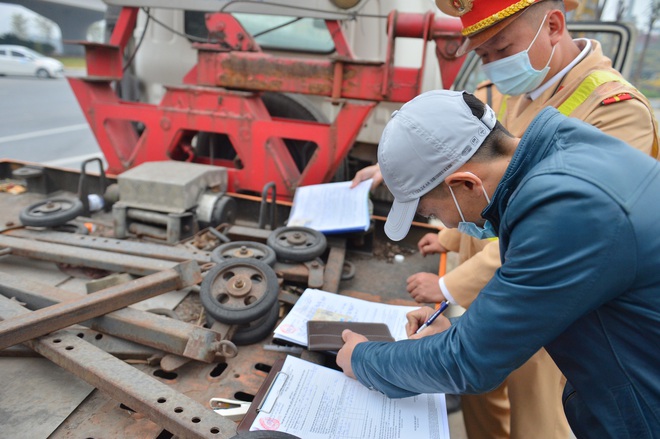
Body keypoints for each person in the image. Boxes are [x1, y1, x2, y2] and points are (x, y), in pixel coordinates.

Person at [351, 1, 660, 437]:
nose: (448, 225)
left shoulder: (570, 200)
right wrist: (457, 331)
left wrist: (362, 358)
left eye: (433, 211)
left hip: (640, 404)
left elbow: (469, 362)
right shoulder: (557, 152)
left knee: (536, 418)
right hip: (608, 358)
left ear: (465, 186)